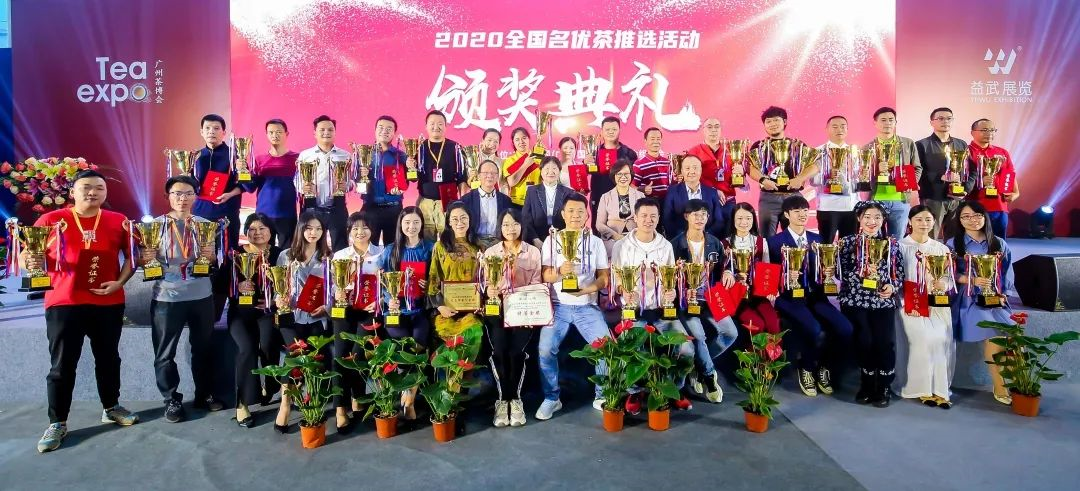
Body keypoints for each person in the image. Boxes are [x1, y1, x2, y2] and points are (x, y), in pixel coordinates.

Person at [22, 170, 138, 453]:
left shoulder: (118, 220)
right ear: (72, 191)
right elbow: (26, 255)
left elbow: (134, 257)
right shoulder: (51, 220)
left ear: (105, 193)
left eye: (99, 188)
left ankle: (111, 406)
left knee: (109, 358)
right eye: (86, 187)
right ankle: (57, 422)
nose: (92, 192)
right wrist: (31, 261)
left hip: (108, 302)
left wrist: (120, 282)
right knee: (62, 365)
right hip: (64, 302)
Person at [143, 175, 224, 423]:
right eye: (177, 193)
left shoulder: (205, 225)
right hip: (167, 297)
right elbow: (144, 262)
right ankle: (171, 399)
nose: (182, 198)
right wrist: (146, 258)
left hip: (201, 295)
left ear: (196, 196)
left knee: (203, 348)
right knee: (165, 353)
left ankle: (204, 394)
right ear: (167, 196)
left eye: (188, 193)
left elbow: (214, 261)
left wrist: (211, 256)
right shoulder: (154, 226)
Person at [610, 197, 693, 412]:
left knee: (686, 348)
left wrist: (671, 292)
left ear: (658, 218)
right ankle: (634, 391)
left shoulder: (665, 246)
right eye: (644, 216)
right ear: (635, 218)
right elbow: (616, 279)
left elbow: (670, 278)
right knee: (630, 347)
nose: (648, 220)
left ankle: (675, 388)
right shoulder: (621, 246)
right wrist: (623, 290)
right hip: (633, 311)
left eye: (653, 216)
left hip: (661, 311)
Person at [768, 195, 852, 398]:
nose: (802, 215)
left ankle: (824, 367)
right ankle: (806, 368)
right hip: (789, 299)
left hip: (816, 296)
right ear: (787, 214)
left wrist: (829, 273)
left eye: (805, 210)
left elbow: (824, 270)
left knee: (845, 328)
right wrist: (785, 277)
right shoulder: (774, 242)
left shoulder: (818, 239)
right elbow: (768, 277)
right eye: (797, 211)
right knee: (813, 329)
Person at [536, 194, 612, 420]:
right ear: (563, 214)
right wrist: (560, 272)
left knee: (606, 347)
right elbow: (545, 275)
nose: (576, 215)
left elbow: (603, 278)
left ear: (587, 215)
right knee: (545, 349)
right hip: (558, 306)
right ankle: (552, 398)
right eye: (571, 211)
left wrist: (587, 290)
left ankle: (602, 394)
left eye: (580, 211)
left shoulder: (595, 242)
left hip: (587, 306)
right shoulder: (552, 240)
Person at [481, 209, 545, 427]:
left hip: (523, 310)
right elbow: (484, 283)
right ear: (500, 227)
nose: (511, 229)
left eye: (515, 224)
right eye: (506, 224)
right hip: (497, 310)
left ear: (522, 226)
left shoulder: (533, 252)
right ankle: (502, 400)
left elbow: (536, 283)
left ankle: (516, 400)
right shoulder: (491, 252)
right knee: (499, 350)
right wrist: (489, 290)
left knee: (516, 351)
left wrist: (528, 306)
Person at [671, 199, 739, 404]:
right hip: (686, 301)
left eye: (703, 214)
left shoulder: (715, 243)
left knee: (730, 333)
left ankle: (698, 365)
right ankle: (709, 376)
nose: (699, 218)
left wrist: (728, 272)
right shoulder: (675, 244)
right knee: (698, 336)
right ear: (686, 217)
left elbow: (724, 266)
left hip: (710, 298)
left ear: (708, 218)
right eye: (695, 214)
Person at [837, 201, 904, 407]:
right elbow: (840, 271)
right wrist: (861, 274)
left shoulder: (891, 244)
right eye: (867, 217)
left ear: (883, 220)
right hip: (855, 300)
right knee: (864, 341)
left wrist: (892, 287)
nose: (872, 221)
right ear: (859, 218)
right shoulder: (847, 242)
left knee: (884, 342)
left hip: (882, 301)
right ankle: (866, 384)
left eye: (877, 217)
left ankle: (884, 386)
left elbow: (899, 272)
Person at [948, 201, 1015, 405]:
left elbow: (1006, 272)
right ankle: (1000, 386)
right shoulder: (953, 244)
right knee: (995, 334)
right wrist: (971, 280)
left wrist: (1005, 294)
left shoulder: (998, 243)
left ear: (985, 217)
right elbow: (948, 273)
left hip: (995, 297)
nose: (972, 220)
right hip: (968, 299)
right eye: (966, 216)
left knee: (1013, 335)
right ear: (960, 221)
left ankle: (1018, 382)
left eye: (977, 215)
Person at [273, 211, 332, 432]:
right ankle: (285, 404)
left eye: (318, 229)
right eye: (309, 228)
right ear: (300, 229)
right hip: (291, 317)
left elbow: (335, 290)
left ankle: (313, 400)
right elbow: (278, 287)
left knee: (316, 358)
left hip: (317, 317)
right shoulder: (286, 256)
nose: (313, 233)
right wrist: (280, 299)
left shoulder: (328, 258)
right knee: (293, 356)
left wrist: (326, 307)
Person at [378, 206, 435, 420]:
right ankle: (409, 392)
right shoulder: (390, 250)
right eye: (407, 222)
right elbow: (381, 282)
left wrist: (428, 285)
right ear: (400, 225)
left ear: (422, 224)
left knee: (419, 343)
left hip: (419, 309)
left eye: (416, 222)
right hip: (396, 311)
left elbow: (437, 279)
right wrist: (389, 299)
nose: (411, 227)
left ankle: (409, 396)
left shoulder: (430, 248)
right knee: (402, 345)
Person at [227, 213, 283, 427]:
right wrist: (237, 286)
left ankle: (271, 385)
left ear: (270, 231)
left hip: (268, 311)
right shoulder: (235, 254)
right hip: (241, 312)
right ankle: (242, 403)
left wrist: (276, 298)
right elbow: (221, 283)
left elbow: (288, 282)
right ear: (246, 232)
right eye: (252, 229)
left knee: (269, 346)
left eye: (262, 228)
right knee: (246, 349)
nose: (257, 233)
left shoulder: (279, 254)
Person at [329, 212, 384, 432]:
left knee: (358, 354)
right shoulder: (340, 255)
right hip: (344, 311)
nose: (360, 232)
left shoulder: (381, 253)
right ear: (349, 232)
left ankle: (357, 397)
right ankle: (340, 409)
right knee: (341, 356)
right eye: (355, 228)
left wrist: (379, 300)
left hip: (368, 312)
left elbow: (388, 285)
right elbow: (332, 285)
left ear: (372, 230)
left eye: (365, 227)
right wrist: (338, 293)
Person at [897, 205, 956, 408]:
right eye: (919, 219)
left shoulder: (941, 249)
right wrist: (905, 299)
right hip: (909, 303)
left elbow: (949, 278)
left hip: (936, 304)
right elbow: (894, 278)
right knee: (923, 340)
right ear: (910, 221)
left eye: (928, 220)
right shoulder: (899, 247)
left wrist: (944, 284)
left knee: (940, 340)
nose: (924, 224)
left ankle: (940, 390)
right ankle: (920, 388)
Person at [748, 106, 818, 238]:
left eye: (776, 120)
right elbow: (750, 167)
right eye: (768, 121)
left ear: (784, 122)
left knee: (795, 237)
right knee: (766, 238)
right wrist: (763, 180)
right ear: (764, 125)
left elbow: (814, 166)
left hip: (793, 196)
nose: (772, 124)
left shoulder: (797, 145)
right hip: (768, 197)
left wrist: (800, 178)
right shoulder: (759, 146)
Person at [721, 203, 781, 336]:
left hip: (758, 295)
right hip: (736, 297)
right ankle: (753, 350)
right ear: (733, 220)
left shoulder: (761, 242)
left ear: (754, 219)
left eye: (748, 218)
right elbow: (721, 273)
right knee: (757, 325)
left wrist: (771, 289)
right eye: (739, 218)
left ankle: (775, 351)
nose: (744, 222)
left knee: (773, 323)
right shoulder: (724, 244)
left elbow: (767, 268)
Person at [427, 201, 484, 342]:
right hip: (446, 307)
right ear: (449, 222)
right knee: (446, 334)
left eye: (463, 218)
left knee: (472, 333)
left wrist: (481, 303)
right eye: (455, 219)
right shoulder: (440, 246)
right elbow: (434, 278)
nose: (460, 222)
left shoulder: (479, 246)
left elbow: (484, 278)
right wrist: (440, 306)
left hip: (473, 307)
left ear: (470, 220)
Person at [863, 107, 922, 239]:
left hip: (901, 200)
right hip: (876, 200)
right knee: (874, 239)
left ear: (895, 122)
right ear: (875, 123)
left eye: (891, 120)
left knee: (897, 240)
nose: (888, 123)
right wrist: (876, 169)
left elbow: (917, 168)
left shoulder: (907, 143)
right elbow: (863, 175)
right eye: (883, 120)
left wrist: (910, 183)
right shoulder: (867, 148)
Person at [915, 108, 972, 239]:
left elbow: (970, 170)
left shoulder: (961, 144)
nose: (945, 121)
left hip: (956, 198)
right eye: (940, 118)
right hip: (933, 197)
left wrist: (965, 188)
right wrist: (939, 176)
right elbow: (917, 171)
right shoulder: (921, 145)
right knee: (930, 236)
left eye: (949, 118)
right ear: (932, 122)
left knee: (955, 237)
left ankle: (951, 254)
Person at [296, 115, 351, 251]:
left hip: (337, 209)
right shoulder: (305, 155)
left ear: (335, 132)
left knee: (341, 247)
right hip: (312, 208)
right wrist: (303, 188)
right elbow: (297, 179)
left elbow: (353, 180)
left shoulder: (345, 155)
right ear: (314, 133)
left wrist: (348, 186)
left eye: (330, 130)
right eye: (322, 130)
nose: (326, 132)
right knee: (311, 247)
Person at [409, 110, 463, 241]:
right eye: (432, 123)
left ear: (445, 126)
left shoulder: (455, 147)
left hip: (448, 202)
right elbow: (413, 178)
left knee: (449, 240)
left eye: (440, 124)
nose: (436, 127)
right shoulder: (419, 148)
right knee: (425, 240)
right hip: (425, 202)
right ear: (426, 126)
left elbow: (462, 176)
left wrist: (461, 202)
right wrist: (410, 166)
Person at [361, 115, 409, 246]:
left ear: (394, 133)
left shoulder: (401, 156)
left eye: (389, 129)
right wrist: (361, 175)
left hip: (394, 209)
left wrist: (411, 169)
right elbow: (356, 181)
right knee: (368, 248)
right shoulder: (364, 153)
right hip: (370, 208)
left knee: (394, 248)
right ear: (375, 130)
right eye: (381, 128)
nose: (384, 131)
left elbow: (409, 180)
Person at [967, 119, 1020, 238]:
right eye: (984, 130)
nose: (989, 133)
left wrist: (1015, 193)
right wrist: (980, 182)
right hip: (974, 206)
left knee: (999, 243)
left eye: (992, 130)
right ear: (972, 132)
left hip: (1000, 206)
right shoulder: (966, 151)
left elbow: (1009, 174)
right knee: (976, 242)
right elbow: (960, 179)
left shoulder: (1002, 152)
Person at [251, 118, 299, 248]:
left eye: (278, 132)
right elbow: (250, 187)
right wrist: (242, 171)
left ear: (286, 134)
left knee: (287, 254)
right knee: (263, 253)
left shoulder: (297, 159)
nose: (275, 135)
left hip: (287, 215)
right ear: (266, 134)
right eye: (271, 132)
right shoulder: (259, 160)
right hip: (263, 216)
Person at [583, 116, 637, 231]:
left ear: (619, 131)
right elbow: (583, 176)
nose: (611, 132)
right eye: (607, 129)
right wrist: (585, 164)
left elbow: (634, 179)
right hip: (598, 196)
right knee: (598, 230)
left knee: (623, 232)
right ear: (601, 132)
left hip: (622, 198)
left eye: (614, 129)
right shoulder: (593, 153)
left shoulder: (629, 153)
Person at [686, 117, 736, 229]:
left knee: (728, 235)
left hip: (728, 201)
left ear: (721, 129)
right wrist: (713, 191)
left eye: (717, 127)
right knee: (708, 235)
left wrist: (741, 172)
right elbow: (690, 179)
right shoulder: (694, 151)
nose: (713, 130)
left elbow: (740, 174)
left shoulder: (731, 148)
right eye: (709, 127)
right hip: (705, 202)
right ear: (703, 130)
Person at [815, 116, 859, 243]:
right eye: (834, 126)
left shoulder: (855, 151)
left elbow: (859, 179)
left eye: (843, 126)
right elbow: (812, 181)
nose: (839, 129)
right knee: (826, 246)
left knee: (849, 247)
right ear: (827, 129)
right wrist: (827, 175)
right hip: (827, 207)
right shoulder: (818, 151)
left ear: (847, 129)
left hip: (851, 207)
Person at [663, 154, 725, 238]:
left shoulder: (712, 193)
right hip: (681, 240)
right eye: (687, 168)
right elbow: (667, 220)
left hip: (708, 239)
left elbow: (719, 221)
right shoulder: (673, 191)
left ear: (701, 170)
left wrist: (705, 236)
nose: (692, 171)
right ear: (682, 171)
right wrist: (684, 237)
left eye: (695, 168)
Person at [595, 159, 645, 257]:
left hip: (636, 238)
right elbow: (599, 224)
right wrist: (616, 236)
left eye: (626, 174)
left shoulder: (640, 196)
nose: (623, 177)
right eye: (619, 174)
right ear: (614, 176)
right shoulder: (606, 197)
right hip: (612, 239)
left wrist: (635, 237)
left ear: (631, 175)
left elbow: (644, 220)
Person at [521, 156, 573, 250]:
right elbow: (525, 218)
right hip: (536, 241)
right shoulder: (532, 191)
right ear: (541, 171)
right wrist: (535, 239)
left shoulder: (568, 192)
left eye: (554, 168)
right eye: (547, 168)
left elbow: (571, 219)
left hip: (562, 241)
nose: (550, 172)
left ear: (559, 171)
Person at [459, 160, 512, 249]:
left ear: (497, 176)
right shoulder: (466, 200)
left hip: (498, 244)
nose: (489, 176)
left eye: (493, 173)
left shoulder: (505, 200)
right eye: (485, 173)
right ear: (479, 176)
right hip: (474, 244)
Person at [502, 127, 542, 208]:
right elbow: (511, 182)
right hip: (517, 203)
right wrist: (525, 165)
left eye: (524, 138)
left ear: (529, 139)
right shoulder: (510, 160)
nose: (521, 142)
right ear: (513, 142)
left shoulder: (539, 158)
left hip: (537, 201)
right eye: (517, 139)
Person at [633, 127, 673, 204]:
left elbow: (672, 184)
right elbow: (632, 186)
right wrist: (642, 189)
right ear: (645, 141)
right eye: (652, 139)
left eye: (658, 139)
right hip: (649, 203)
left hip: (667, 202)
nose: (656, 141)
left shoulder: (667, 162)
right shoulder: (639, 164)